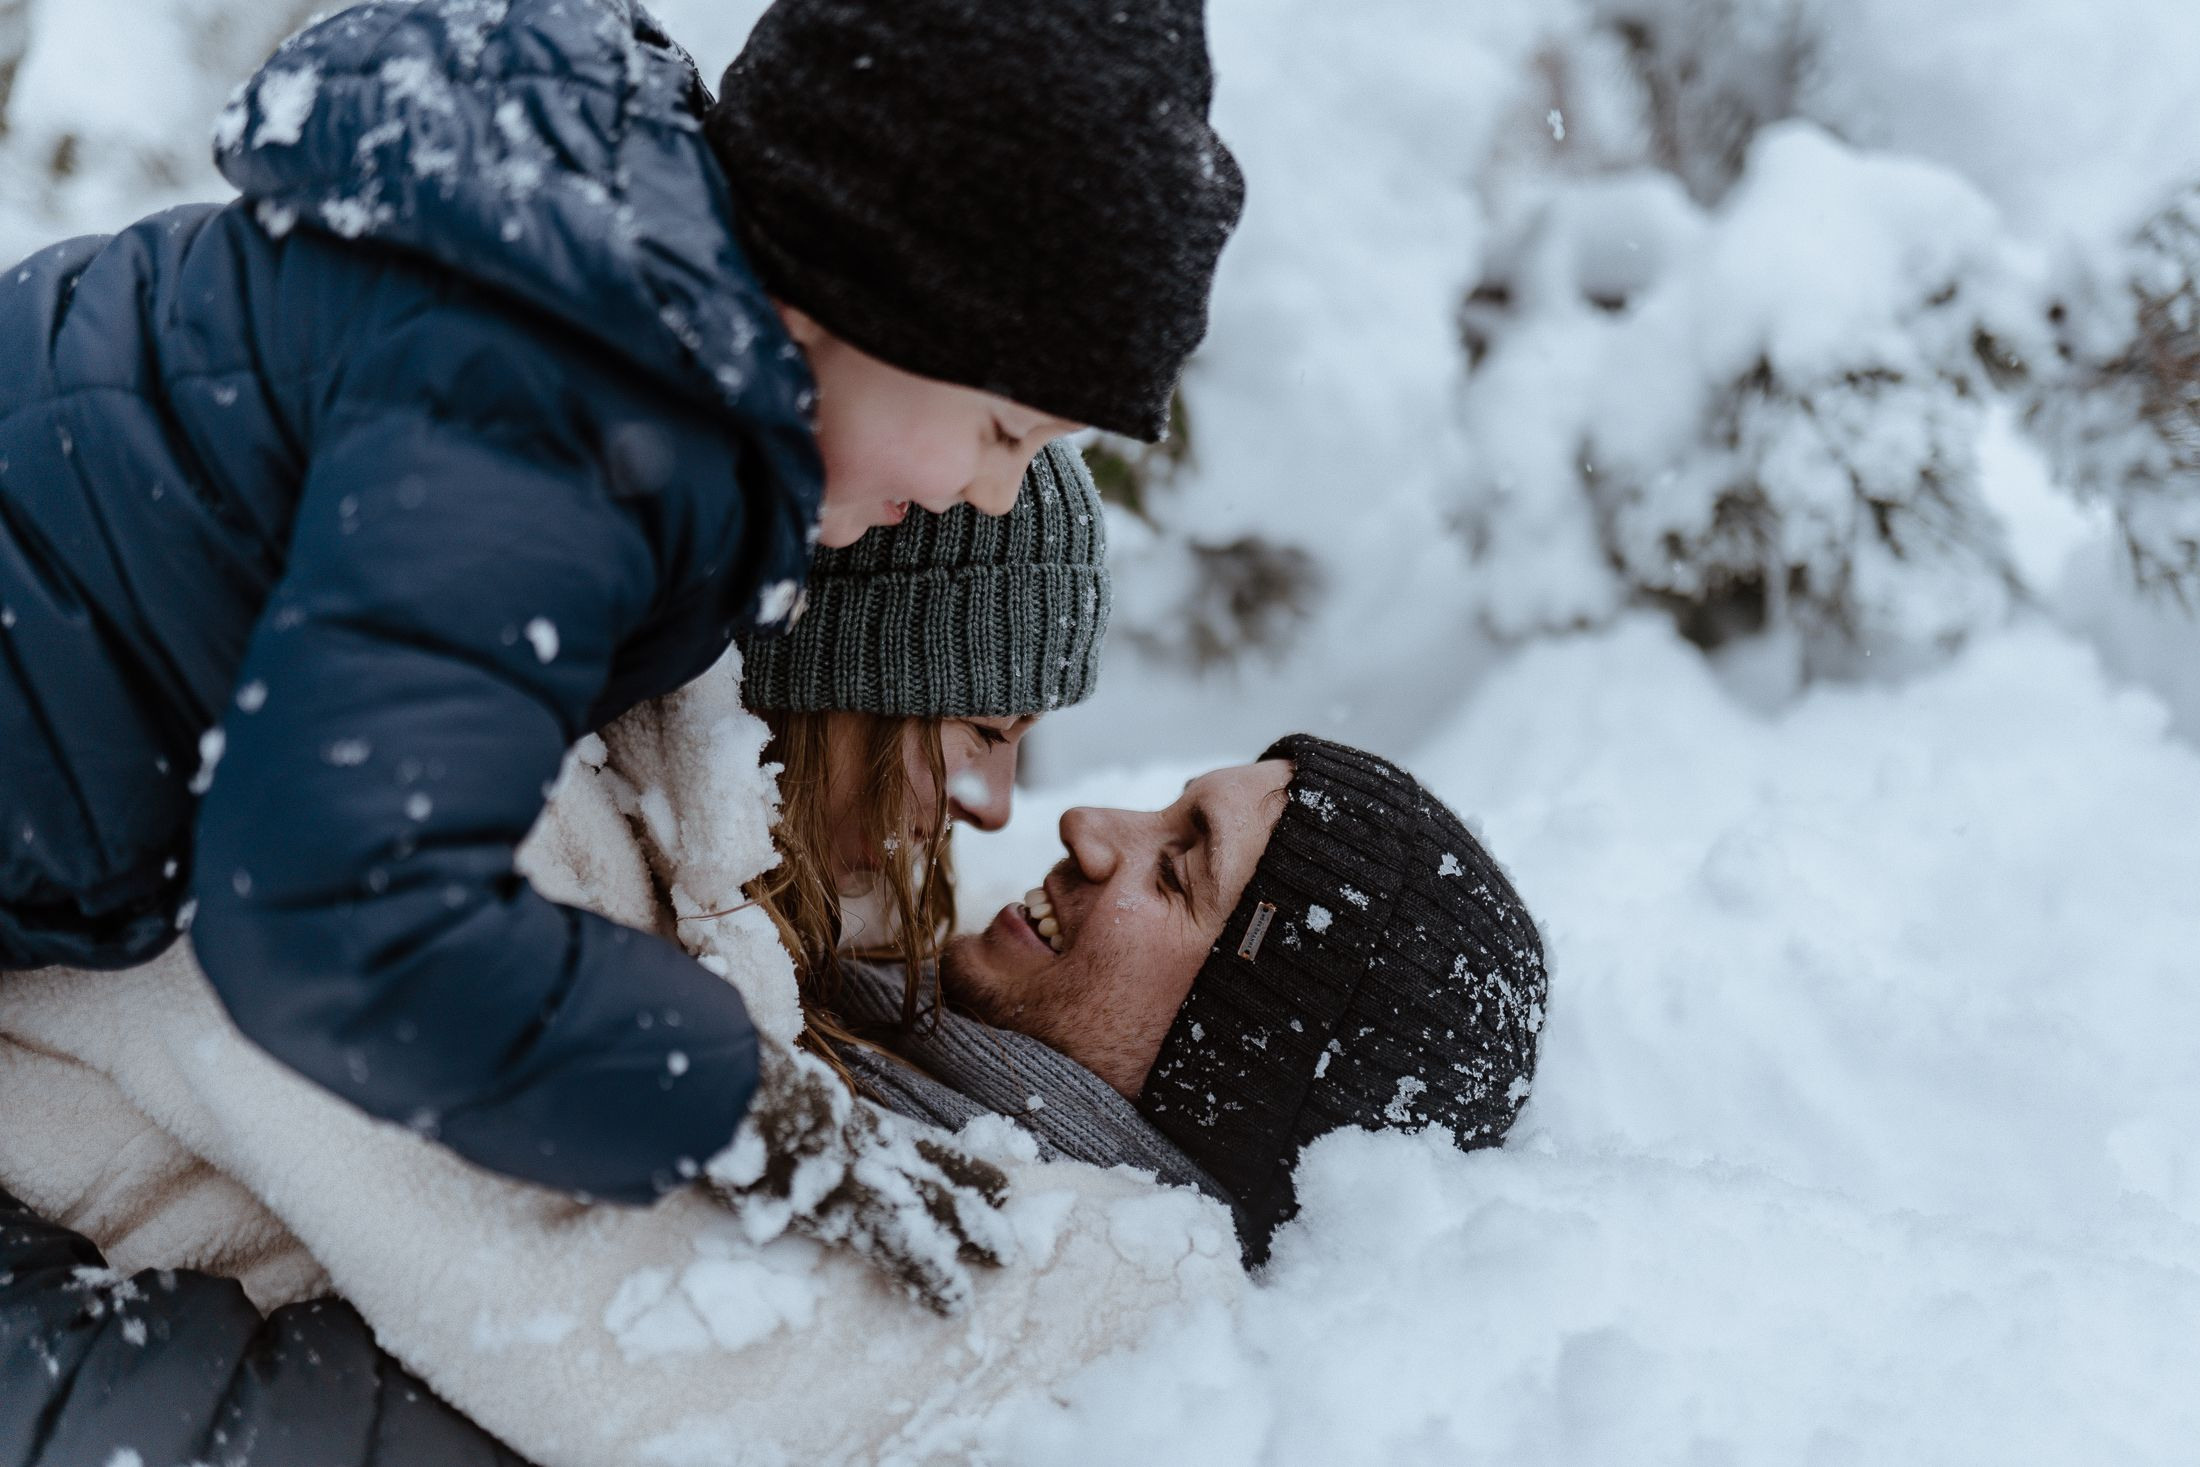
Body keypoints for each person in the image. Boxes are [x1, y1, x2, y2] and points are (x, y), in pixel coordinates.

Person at [0, 0, 1241, 1245]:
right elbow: (345, 909)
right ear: (877, 287)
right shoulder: (559, 410)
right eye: (1006, 431)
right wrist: (746, 1107)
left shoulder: (587, 344)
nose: (997, 492)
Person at [0, 444, 1124, 1465]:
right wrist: (1138, 1283)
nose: (993, 803)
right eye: (983, 732)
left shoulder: (691, 843)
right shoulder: (506, 841)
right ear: (846, 676)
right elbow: (625, 1318)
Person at [838, 736, 1549, 1261]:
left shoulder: (936, 1265)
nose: (1084, 824)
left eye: (1173, 874)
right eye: (1165, 813)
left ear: (1233, 1062)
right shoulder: (852, 982)